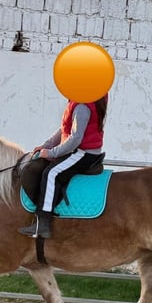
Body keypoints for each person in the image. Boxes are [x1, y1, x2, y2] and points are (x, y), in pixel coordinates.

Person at [19, 94, 108, 239]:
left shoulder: (82, 106)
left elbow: (75, 139)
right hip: (80, 149)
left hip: (84, 153)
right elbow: (64, 129)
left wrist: (51, 153)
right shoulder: (79, 102)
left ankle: (43, 223)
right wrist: (46, 146)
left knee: (52, 173)